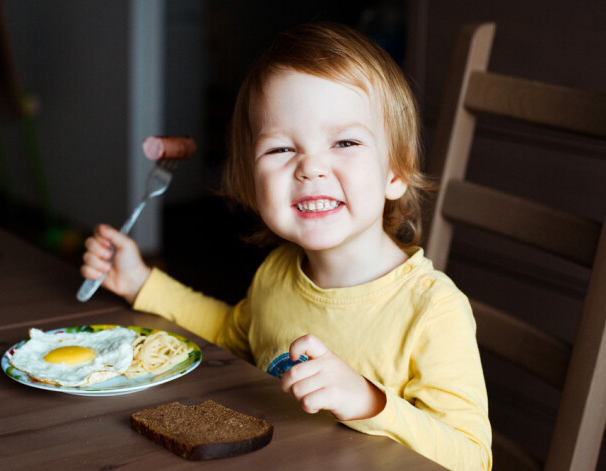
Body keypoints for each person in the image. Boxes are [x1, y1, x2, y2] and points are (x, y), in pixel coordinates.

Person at [81, 22, 492, 470]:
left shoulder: (433, 310)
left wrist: (371, 402)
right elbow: (230, 334)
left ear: (395, 172)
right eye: (280, 150)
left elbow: (472, 457)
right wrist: (142, 283)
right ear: (250, 181)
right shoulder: (276, 276)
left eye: (345, 142)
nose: (311, 167)